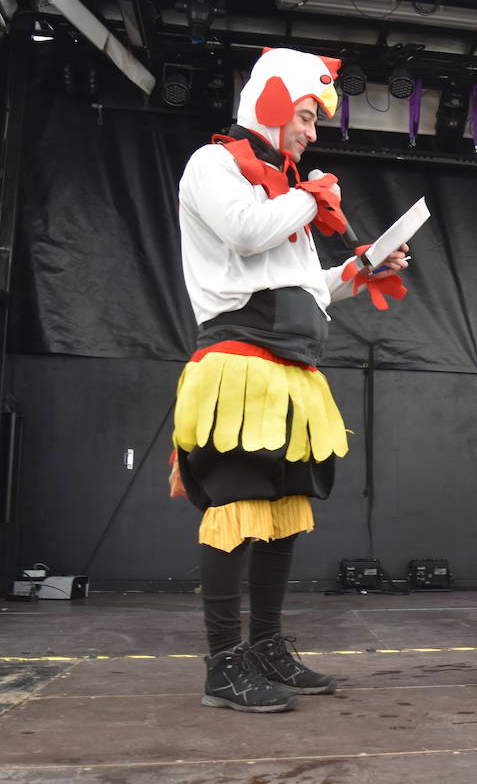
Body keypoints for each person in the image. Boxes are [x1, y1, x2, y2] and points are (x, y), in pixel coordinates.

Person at [170, 47, 409, 712]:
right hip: (240, 364)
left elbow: (309, 289)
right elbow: (246, 235)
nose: (310, 131)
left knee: (281, 517)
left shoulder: (287, 189)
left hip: (292, 372)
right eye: (305, 115)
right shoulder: (214, 166)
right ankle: (224, 664)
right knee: (238, 509)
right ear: (272, 104)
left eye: (313, 120)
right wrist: (309, 199)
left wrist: (361, 267)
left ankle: (267, 647)